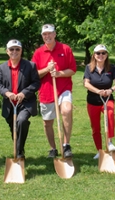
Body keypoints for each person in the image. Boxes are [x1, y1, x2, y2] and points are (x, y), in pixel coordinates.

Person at [32, 24, 76, 158]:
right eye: (44, 34)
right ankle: (53, 148)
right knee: (47, 123)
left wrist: (58, 73)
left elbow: (72, 70)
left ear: (55, 34)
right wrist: (46, 69)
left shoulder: (65, 49)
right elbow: (34, 74)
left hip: (63, 89)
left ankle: (66, 145)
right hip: (46, 91)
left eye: (49, 33)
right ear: (42, 36)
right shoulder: (38, 53)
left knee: (67, 110)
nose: (47, 36)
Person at [0, 39, 40, 159]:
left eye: (17, 49)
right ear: (7, 51)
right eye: (11, 49)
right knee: (14, 128)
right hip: (10, 104)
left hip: (25, 103)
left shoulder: (30, 66)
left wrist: (24, 93)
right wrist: (7, 93)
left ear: (21, 51)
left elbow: (36, 83)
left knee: (21, 121)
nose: (14, 51)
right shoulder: (2, 67)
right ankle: (19, 148)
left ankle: (19, 152)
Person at [83, 44, 115, 159]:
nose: (101, 55)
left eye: (103, 53)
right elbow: (86, 83)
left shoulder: (112, 68)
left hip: (107, 98)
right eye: (98, 53)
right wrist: (97, 91)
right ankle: (99, 150)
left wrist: (111, 90)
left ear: (106, 55)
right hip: (93, 100)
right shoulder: (89, 67)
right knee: (95, 127)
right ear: (94, 55)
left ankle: (109, 142)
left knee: (110, 115)